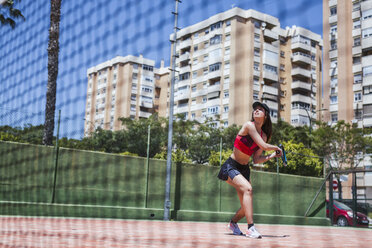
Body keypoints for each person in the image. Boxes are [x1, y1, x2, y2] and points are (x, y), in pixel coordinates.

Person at [217, 101, 282, 239]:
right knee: (248, 189)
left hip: (245, 169)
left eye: (260, 109)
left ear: (266, 116)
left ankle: (233, 223)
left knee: (245, 207)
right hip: (231, 166)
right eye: (255, 109)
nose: (256, 111)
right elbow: (264, 146)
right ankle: (251, 228)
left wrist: (272, 155)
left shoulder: (264, 135)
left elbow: (256, 159)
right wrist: (276, 147)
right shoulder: (249, 126)